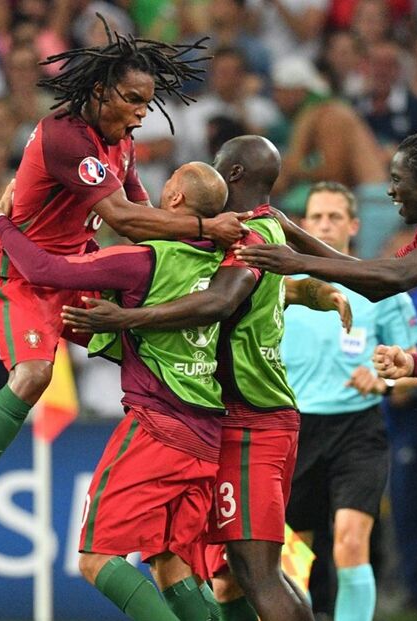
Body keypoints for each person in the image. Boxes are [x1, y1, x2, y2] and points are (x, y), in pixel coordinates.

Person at [0, 18, 247, 553]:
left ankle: (186, 465)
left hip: (75, 271)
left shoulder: (119, 142)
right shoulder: (65, 136)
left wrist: (189, 254)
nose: (143, 112)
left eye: (148, 102)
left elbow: (140, 212)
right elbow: (128, 217)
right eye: (134, 100)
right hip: (21, 276)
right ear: (100, 91)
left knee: (158, 344)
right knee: (33, 374)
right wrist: (204, 228)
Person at [237, 130, 417, 621]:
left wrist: (294, 261)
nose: (390, 191)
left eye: (397, 181)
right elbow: (371, 277)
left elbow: (391, 281)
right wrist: (290, 232)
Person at [60, 136, 347, 621]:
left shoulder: (251, 237)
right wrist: (316, 291)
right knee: (218, 573)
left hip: (255, 422)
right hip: (228, 419)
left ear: (232, 176)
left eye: (216, 169)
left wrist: (123, 319)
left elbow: (218, 301)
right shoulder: (246, 233)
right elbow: (273, 287)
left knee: (256, 572)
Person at [0, 163, 230, 620]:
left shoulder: (142, 260)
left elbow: (43, 268)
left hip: (159, 426)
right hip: (207, 434)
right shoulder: (221, 260)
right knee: (171, 564)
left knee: (95, 558)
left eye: (170, 182)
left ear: (175, 199)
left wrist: (1, 224)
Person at [280, 181, 417, 621]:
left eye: (334, 216)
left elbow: (415, 371)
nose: (325, 224)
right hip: (293, 430)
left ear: (353, 224)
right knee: (294, 554)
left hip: (357, 431)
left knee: (350, 539)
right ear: (303, 225)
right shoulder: (281, 289)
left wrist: (383, 379)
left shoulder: (381, 287)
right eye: (317, 217)